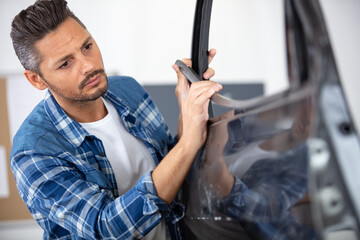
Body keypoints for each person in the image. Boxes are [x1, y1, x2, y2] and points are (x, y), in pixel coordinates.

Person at [9, 0, 221, 239]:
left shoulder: (127, 90)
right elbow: (106, 228)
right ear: (37, 80)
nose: (88, 65)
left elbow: (173, 167)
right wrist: (188, 144)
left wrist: (187, 109)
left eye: (87, 46)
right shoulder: (33, 153)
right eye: (66, 63)